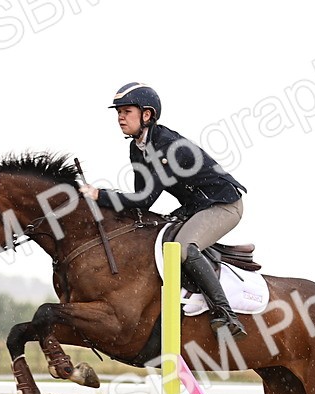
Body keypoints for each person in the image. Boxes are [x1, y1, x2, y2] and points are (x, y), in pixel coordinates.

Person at [78, 82, 249, 339]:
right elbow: (140, 201)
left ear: (147, 115)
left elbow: (144, 198)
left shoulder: (166, 146)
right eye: (118, 113)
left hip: (223, 205)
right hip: (195, 206)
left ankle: (226, 314)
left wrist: (100, 195)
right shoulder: (137, 148)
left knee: (182, 249)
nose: (120, 118)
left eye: (126, 112)